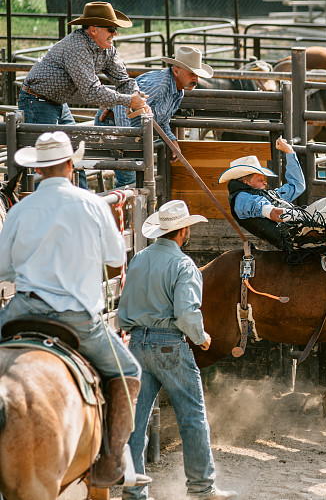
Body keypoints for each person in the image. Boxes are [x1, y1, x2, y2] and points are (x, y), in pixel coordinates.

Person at [0, 131, 148, 486]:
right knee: (128, 372)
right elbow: (115, 259)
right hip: (77, 318)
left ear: (38, 171)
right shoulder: (93, 205)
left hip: (23, 310)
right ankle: (113, 463)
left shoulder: (20, 210)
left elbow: (2, 268)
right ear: (70, 165)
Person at [117, 200, 238, 500]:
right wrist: (201, 337)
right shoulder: (184, 265)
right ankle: (201, 487)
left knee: (135, 422)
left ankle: (134, 491)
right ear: (184, 230)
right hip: (169, 345)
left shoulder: (139, 259)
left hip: (136, 344)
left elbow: (123, 309)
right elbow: (186, 313)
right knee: (192, 417)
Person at [219, 143, 326, 299]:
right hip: (295, 233)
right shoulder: (243, 199)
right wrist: (304, 217)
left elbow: (297, 186)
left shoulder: (263, 194)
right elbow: (273, 213)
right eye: (260, 179)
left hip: (297, 227)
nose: (265, 182)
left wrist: (289, 152)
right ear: (246, 181)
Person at [17, 2, 150, 188]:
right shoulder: (77, 46)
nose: (115, 33)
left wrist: (137, 98)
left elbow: (124, 80)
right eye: (111, 29)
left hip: (55, 101)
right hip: (37, 100)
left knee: (73, 154)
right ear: (94, 30)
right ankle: (43, 202)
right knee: (49, 157)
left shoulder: (107, 49)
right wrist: (130, 101)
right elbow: (92, 92)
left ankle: (80, 196)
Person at [95, 46, 213, 187]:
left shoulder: (178, 91)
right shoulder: (158, 84)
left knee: (137, 180)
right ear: (176, 70)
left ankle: (125, 207)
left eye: (197, 75)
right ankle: (120, 207)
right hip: (114, 124)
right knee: (129, 180)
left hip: (130, 130)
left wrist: (172, 141)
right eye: (192, 74)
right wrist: (127, 140)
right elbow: (122, 106)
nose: (196, 79)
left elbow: (161, 121)